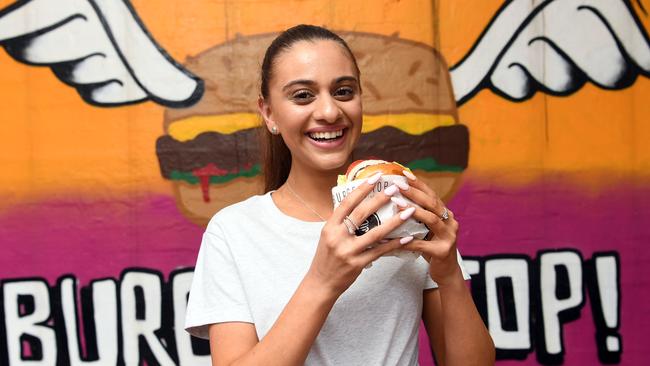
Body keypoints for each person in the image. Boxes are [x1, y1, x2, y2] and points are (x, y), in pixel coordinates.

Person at [185, 24, 495, 365]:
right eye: (303, 95)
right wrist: (322, 281)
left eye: (344, 91)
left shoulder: (404, 209)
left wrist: (449, 274)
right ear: (269, 113)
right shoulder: (233, 231)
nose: (330, 112)